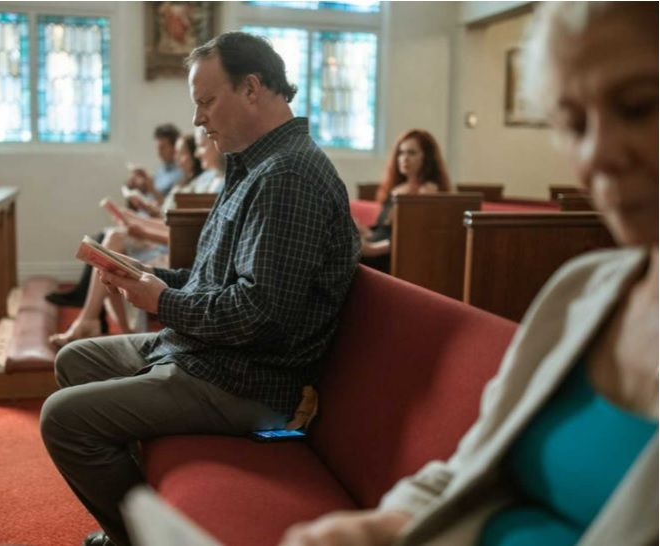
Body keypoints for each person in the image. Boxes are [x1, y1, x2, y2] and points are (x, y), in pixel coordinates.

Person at [279, 2, 658, 545]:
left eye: (640, 107)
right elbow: (469, 469)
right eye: (573, 123)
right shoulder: (583, 291)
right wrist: (381, 526)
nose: (598, 153)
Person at [40, 31, 360, 546]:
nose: (197, 119)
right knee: (73, 362)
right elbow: (211, 281)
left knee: (63, 419)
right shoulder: (253, 166)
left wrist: (161, 301)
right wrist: (148, 280)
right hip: (214, 355)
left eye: (207, 101)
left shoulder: (288, 176)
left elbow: (260, 315)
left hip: (249, 381)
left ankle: (135, 537)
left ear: (252, 88)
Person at [48, 133, 205, 345]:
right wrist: (132, 217)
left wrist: (143, 228)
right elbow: (170, 219)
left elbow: (184, 229)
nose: (180, 158)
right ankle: (110, 325)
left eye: (184, 152)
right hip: (167, 239)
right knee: (111, 250)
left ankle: (94, 320)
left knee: (113, 245)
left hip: (174, 250)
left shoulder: (204, 183)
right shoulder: (188, 181)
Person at [46, 123, 183, 308]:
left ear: (175, 147)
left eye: (163, 147)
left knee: (107, 241)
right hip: (144, 220)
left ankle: (86, 301)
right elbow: (156, 201)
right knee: (99, 237)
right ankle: (85, 295)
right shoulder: (162, 171)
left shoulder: (179, 175)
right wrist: (138, 187)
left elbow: (166, 211)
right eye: (157, 147)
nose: (159, 152)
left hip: (152, 230)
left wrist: (149, 190)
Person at [357, 129, 451, 272]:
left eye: (411, 153)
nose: (404, 158)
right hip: (377, 247)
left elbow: (414, 238)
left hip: (394, 258)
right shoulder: (396, 188)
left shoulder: (428, 190)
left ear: (427, 158)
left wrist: (372, 249)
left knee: (346, 259)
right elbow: (387, 230)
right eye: (401, 152)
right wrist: (365, 231)